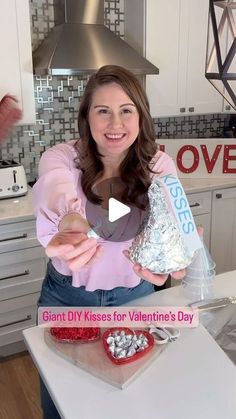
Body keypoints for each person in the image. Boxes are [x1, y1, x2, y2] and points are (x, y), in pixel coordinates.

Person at [33, 65, 185, 418]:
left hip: (136, 299)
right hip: (66, 300)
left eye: (126, 110)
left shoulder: (159, 165)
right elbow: (57, 192)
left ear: (140, 116)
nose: (115, 124)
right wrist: (70, 223)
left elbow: (176, 227)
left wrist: (179, 255)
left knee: (131, 400)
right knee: (60, 399)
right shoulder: (61, 158)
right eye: (103, 111)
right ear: (87, 117)